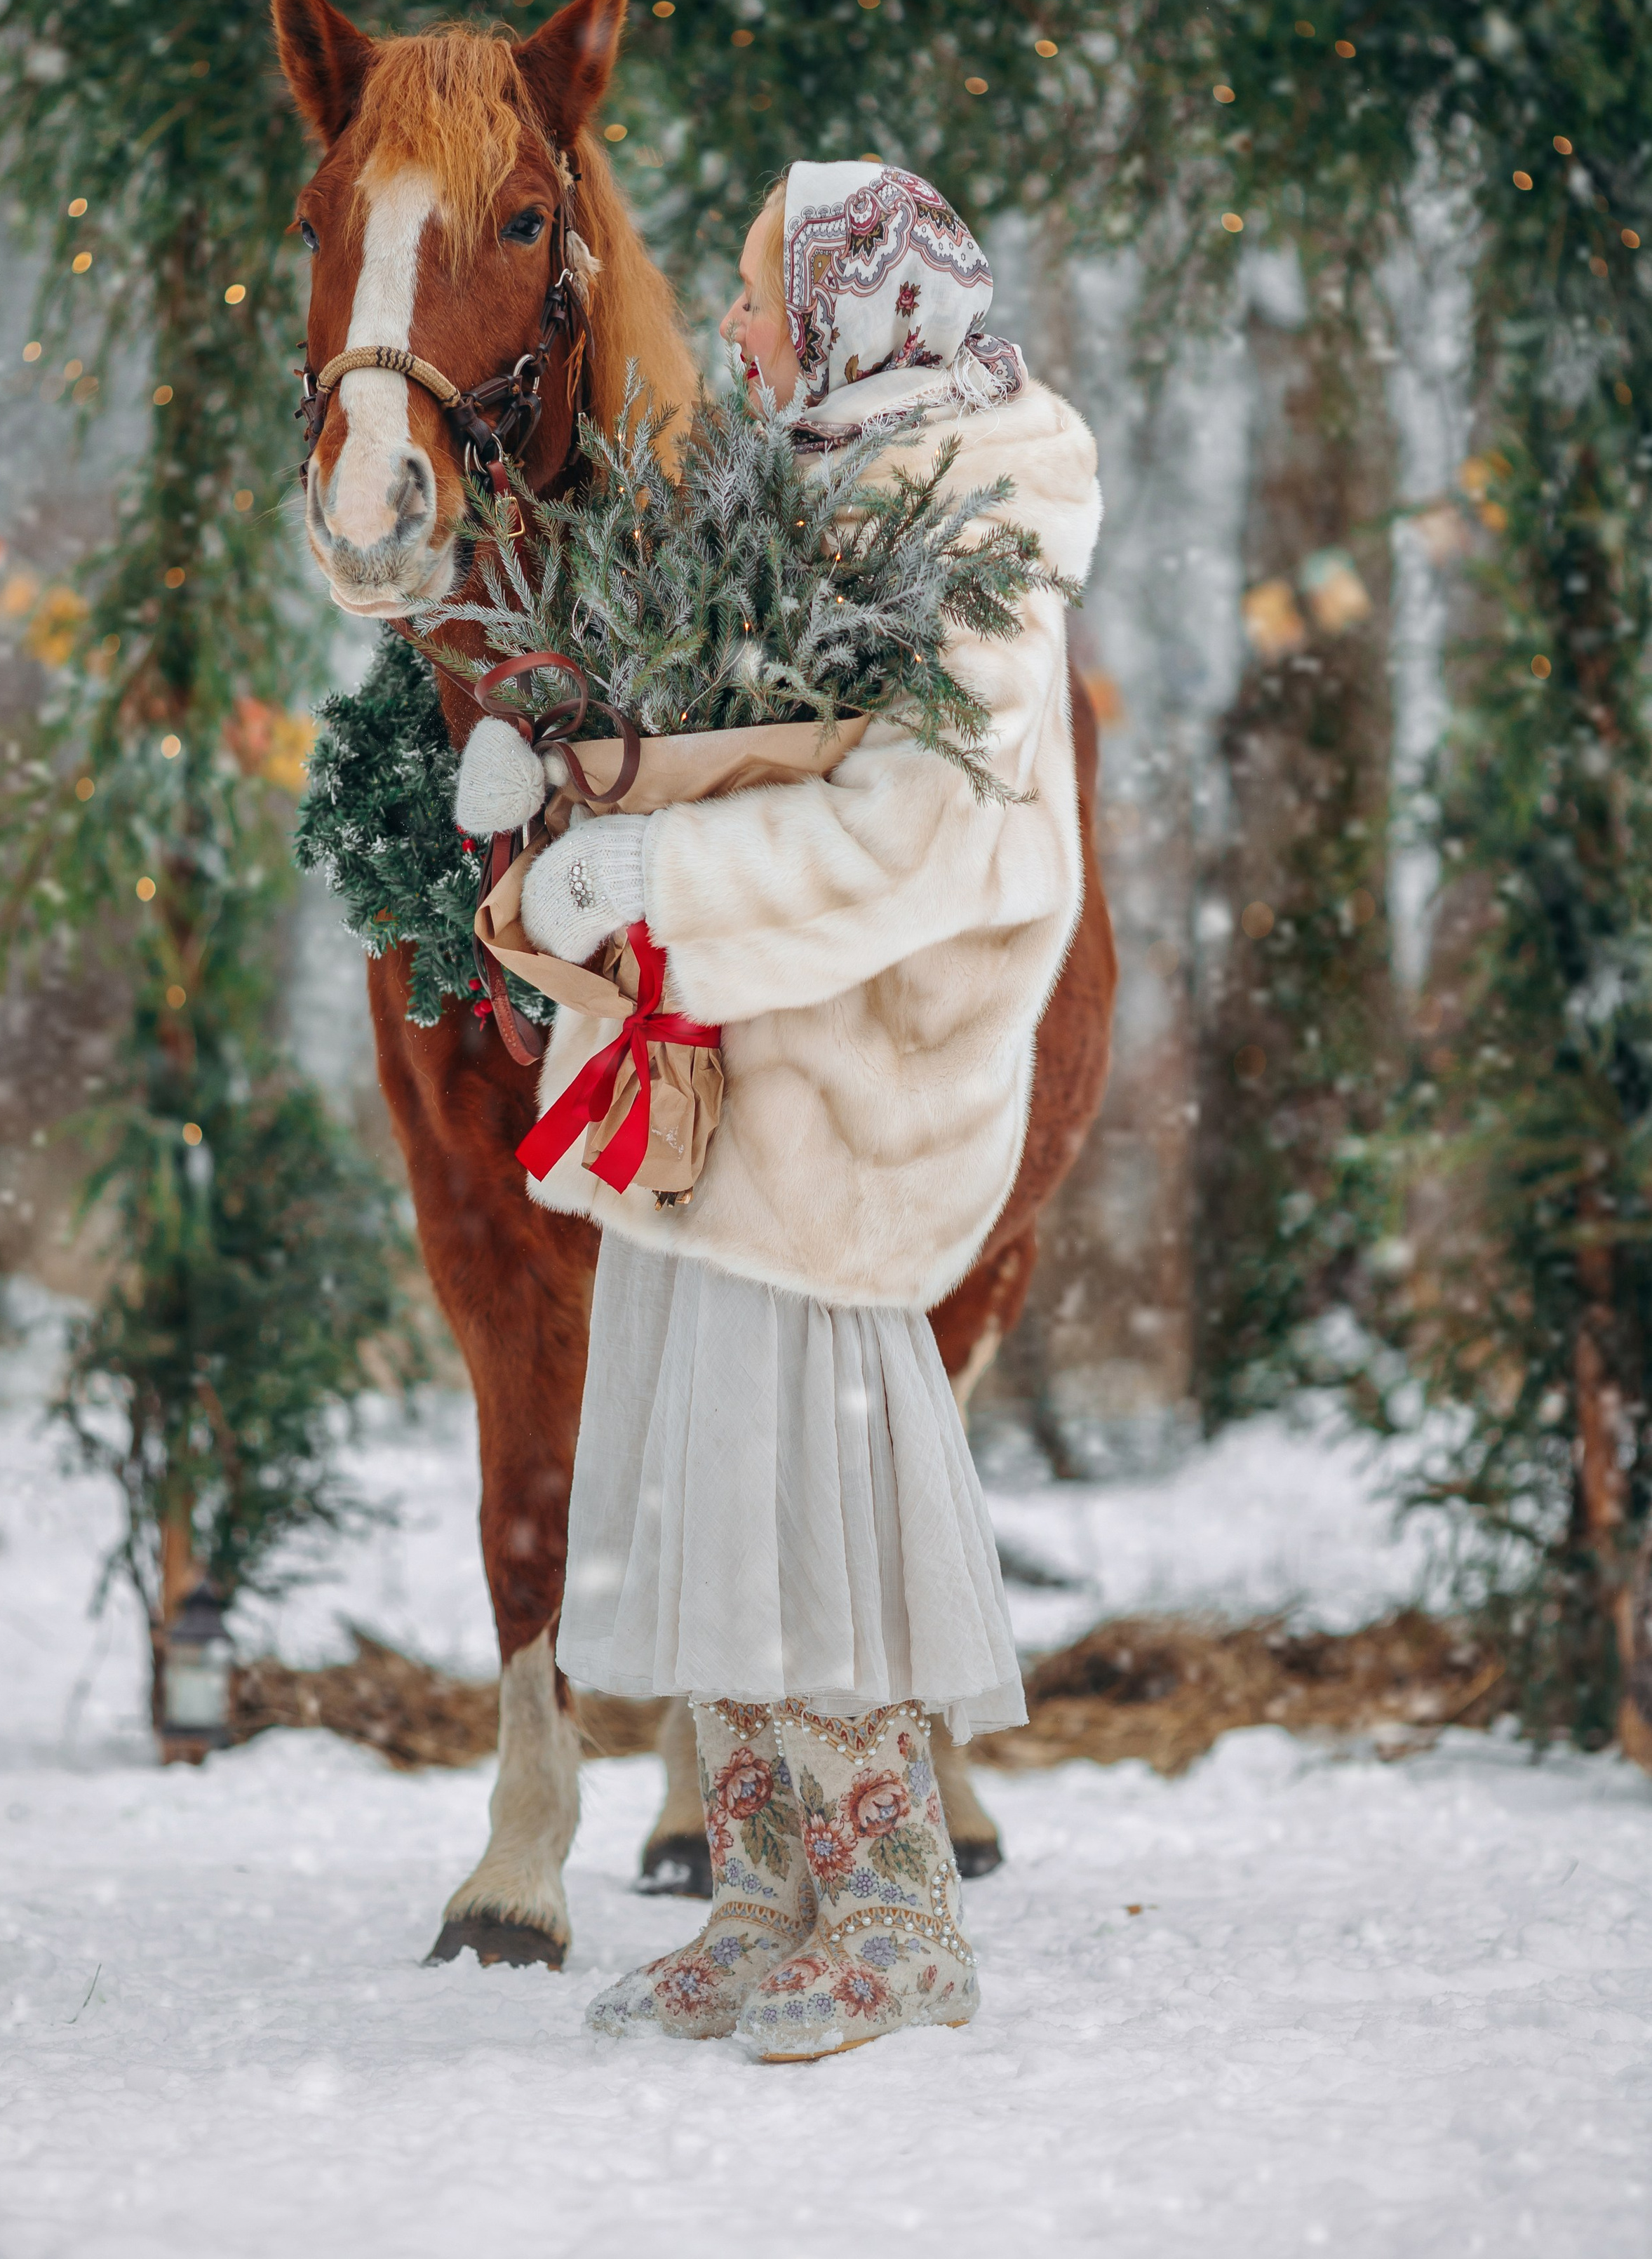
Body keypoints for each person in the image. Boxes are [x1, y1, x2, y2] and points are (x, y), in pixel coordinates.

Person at [457, 161, 1102, 2062]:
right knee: (699, 1489)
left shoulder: (972, 528)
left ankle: (896, 1917)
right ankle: (764, 1898)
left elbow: (921, 837)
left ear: (854, 319)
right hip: (726, 1087)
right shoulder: (814, 494)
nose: (734, 335)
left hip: (846, 1104)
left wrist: (655, 889)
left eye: (761, 300)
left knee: (800, 1508)